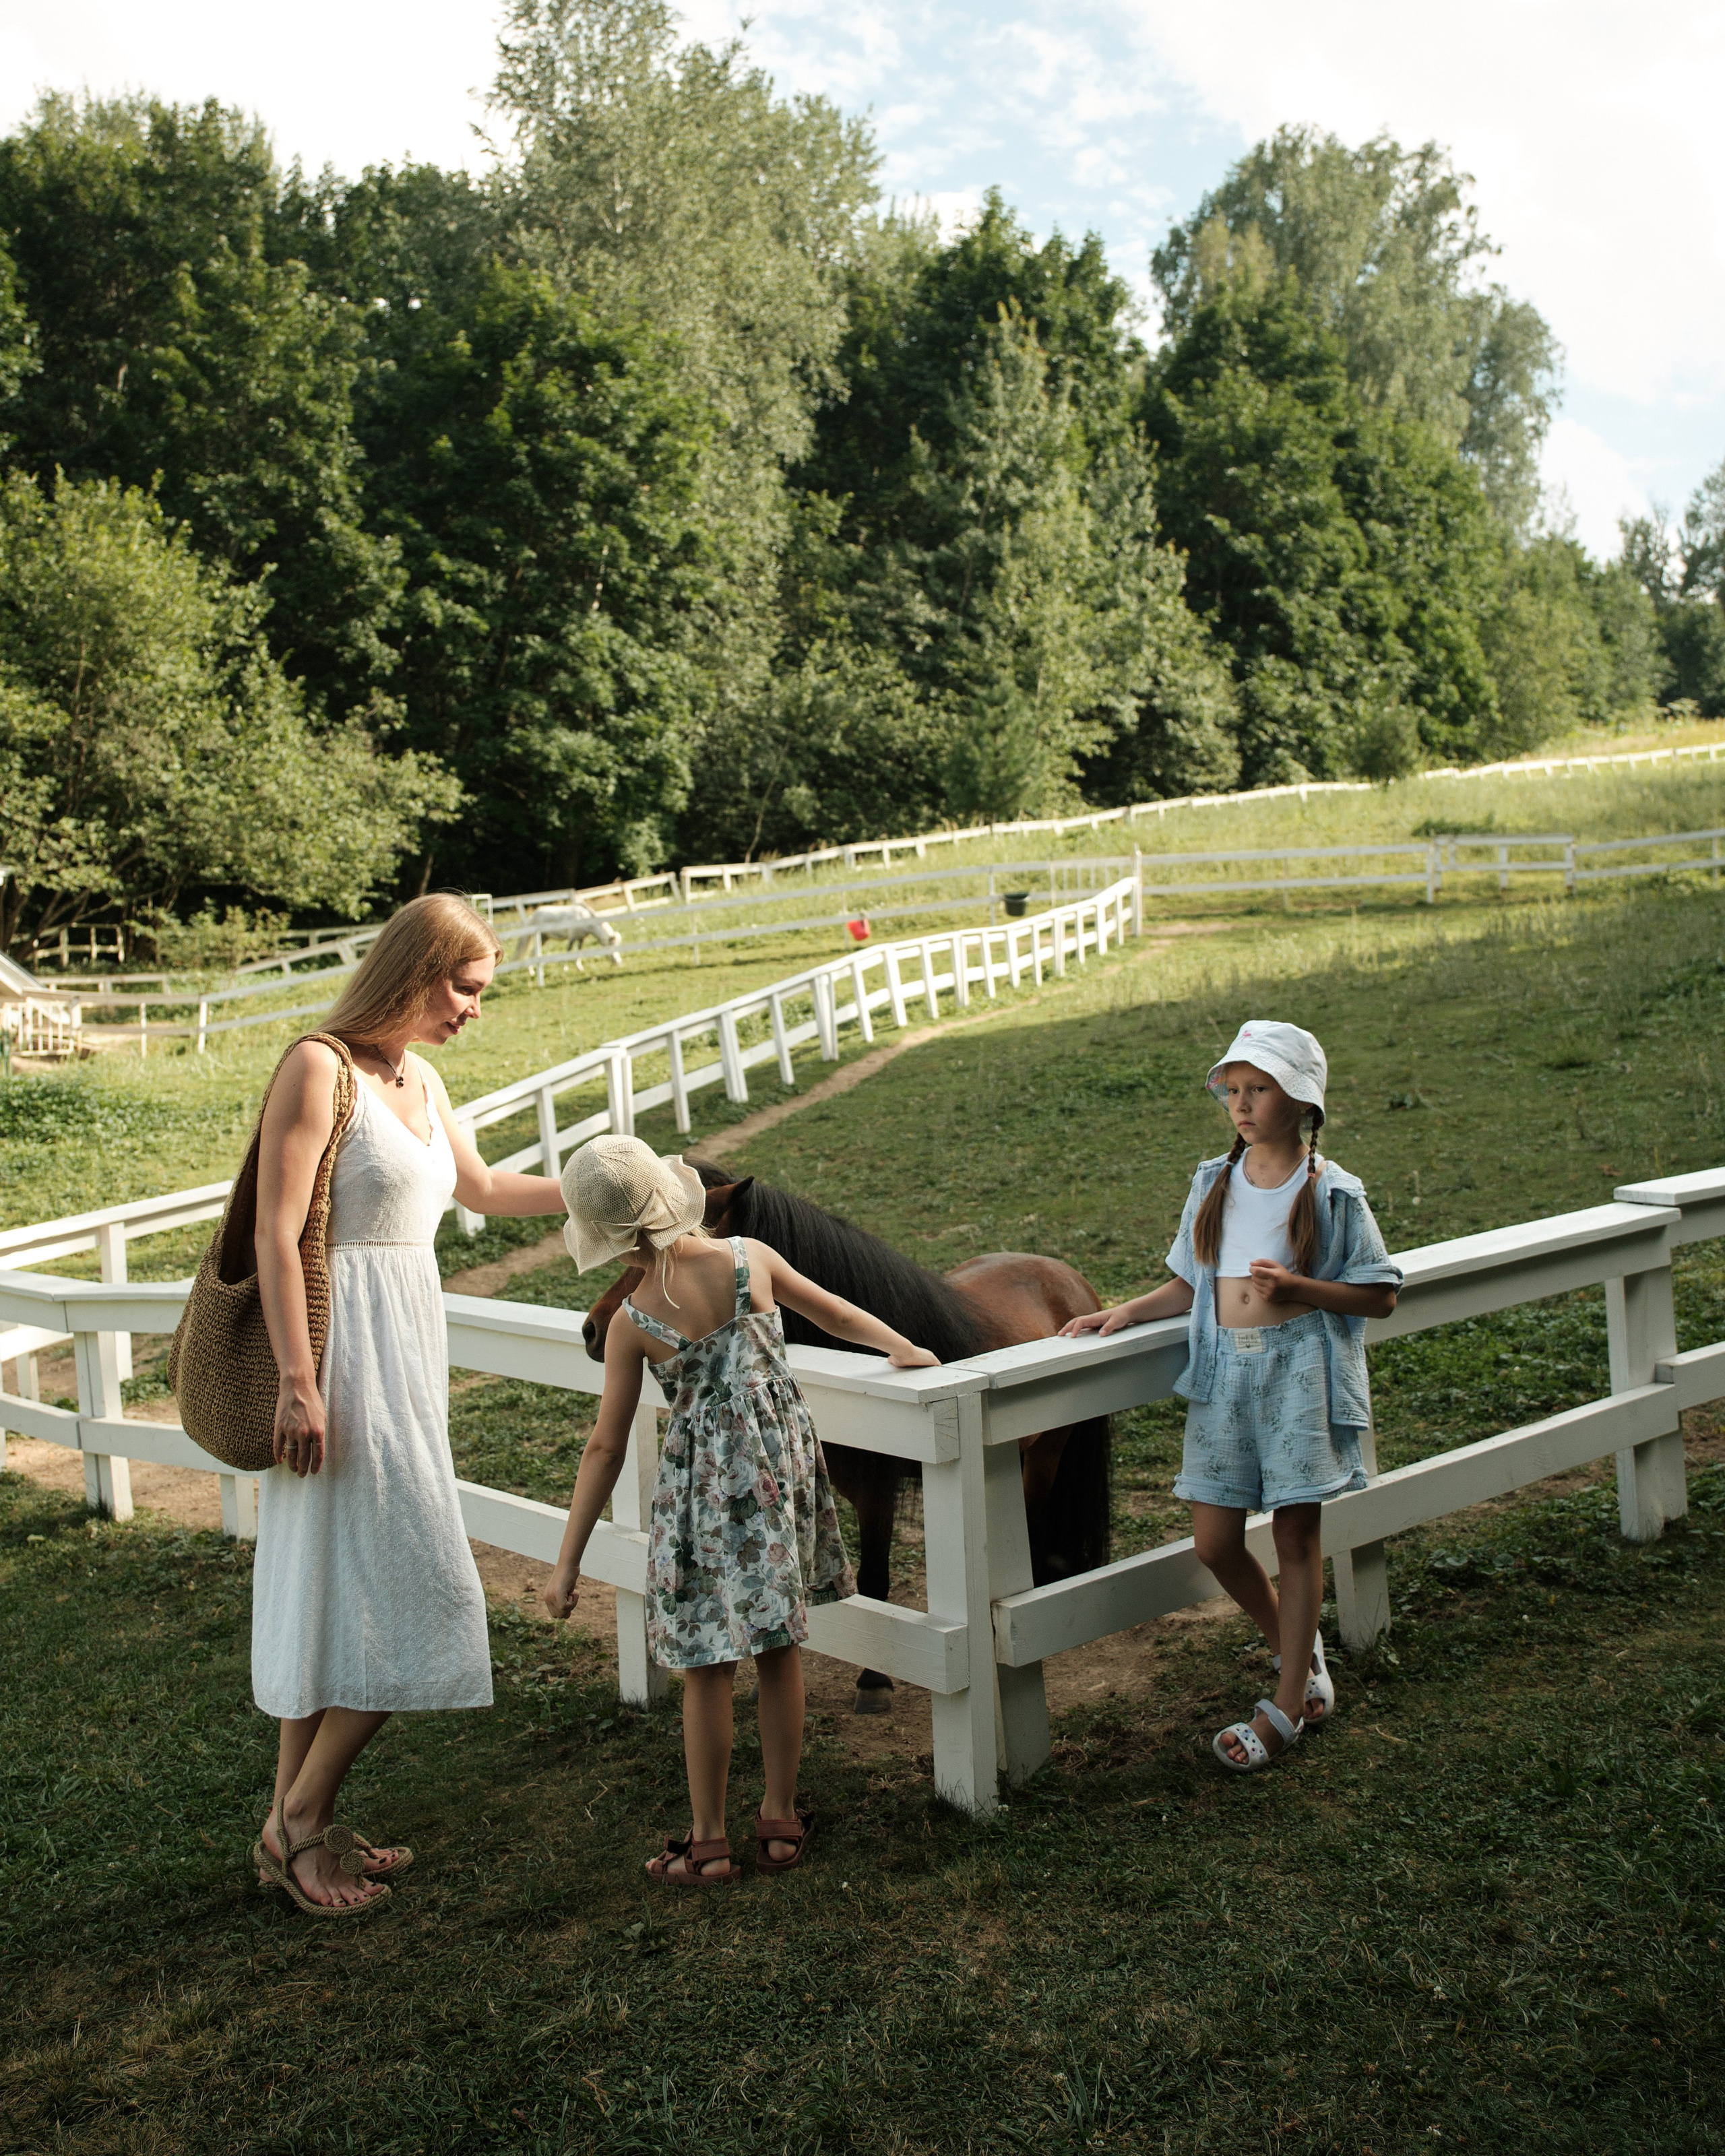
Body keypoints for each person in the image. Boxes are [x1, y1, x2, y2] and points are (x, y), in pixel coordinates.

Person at [250, 893, 567, 1915]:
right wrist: (300, 1382)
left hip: (406, 1353)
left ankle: (285, 1827)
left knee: (337, 1595)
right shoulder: (318, 1066)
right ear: (417, 970)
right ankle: (307, 1819)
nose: (475, 1010)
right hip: (339, 1358)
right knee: (426, 1586)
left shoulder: (418, 1077)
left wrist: (612, 1182)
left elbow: (477, 1190)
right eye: (465, 988)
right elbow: (275, 1231)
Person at [541, 1136, 938, 1881]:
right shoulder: (750, 1259)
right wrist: (903, 1345)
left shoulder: (632, 1321)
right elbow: (840, 1315)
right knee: (780, 1651)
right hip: (773, 1481)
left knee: (707, 1669)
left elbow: (604, 1448)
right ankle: (781, 1818)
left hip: (699, 1499)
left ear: (610, 1240)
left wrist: (568, 1560)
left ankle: (709, 1837)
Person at [1060, 1021, 1400, 1771]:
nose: (1241, 1104)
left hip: (1298, 1373)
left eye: (1259, 1089)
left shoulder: (1334, 1191)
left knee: (1293, 1537)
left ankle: (1284, 1704)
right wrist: (1128, 1309)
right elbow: (1192, 1281)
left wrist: (1302, 1287)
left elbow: (1378, 1295)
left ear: (1301, 1101)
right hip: (1223, 1376)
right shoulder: (1214, 1180)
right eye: (1234, 1090)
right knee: (1214, 1540)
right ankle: (1297, 1649)